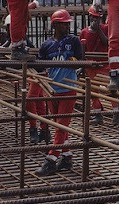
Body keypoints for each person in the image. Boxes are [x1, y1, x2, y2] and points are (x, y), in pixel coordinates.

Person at [36, 10, 84, 176]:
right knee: (60, 125)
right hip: (52, 89)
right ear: (55, 25)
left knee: (60, 126)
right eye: (63, 23)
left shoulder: (74, 41)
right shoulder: (46, 45)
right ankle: (67, 156)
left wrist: (76, 62)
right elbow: (40, 66)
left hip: (68, 90)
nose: (67, 26)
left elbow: (81, 59)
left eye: (67, 23)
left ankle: (51, 159)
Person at [79, 6, 109, 124]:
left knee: (111, 90)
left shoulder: (106, 28)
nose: (95, 20)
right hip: (91, 66)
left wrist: (99, 31)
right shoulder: (84, 32)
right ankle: (97, 114)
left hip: (104, 64)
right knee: (93, 92)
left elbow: (107, 42)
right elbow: (82, 51)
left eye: (98, 18)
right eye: (94, 17)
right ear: (90, 17)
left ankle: (117, 114)